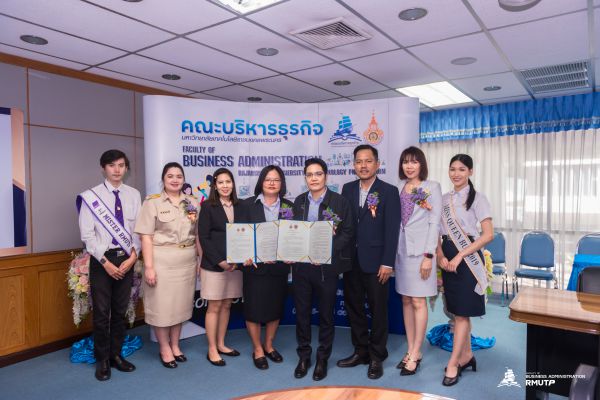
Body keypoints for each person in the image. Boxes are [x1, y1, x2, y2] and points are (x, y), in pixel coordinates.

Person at [336, 145, 400, 379]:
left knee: (378, 310)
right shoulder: (347, 188)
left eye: (368, 161)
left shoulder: (389, 191)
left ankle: (376, 356)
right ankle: (361, 351)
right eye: (358, 161)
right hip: (351, 262)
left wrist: (387, 263)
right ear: (353, 164)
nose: (363, 165)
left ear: (377, 164)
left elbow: (392, 230)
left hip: (377, 263)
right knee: (354, 308)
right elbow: (344, 224)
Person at [77, 149, 141, 381]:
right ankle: (102, 359)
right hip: (102, 261)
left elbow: (138, 231)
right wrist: (105, 263)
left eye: (121, 165)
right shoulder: (91, 197)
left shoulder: (134, 194)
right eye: (112, 165)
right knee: (102, 313)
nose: (117, 170)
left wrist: (133, 257)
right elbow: (87, 236)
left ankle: (116, 355)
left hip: (127, 259)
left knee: (120, 311)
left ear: (126, 168)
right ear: (103, 168)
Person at [291, 158, 354, 381]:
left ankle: (322, 358)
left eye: (318, 174)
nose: (314, 178)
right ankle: (304, 356)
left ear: (326, 176)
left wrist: (327, 250)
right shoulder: (298, 201)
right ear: (305, 178)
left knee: (326, 315)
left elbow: (348, 233)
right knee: (302, 314)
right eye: (309, 175)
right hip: (301, 268)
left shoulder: (339, 202)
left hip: (327, 268)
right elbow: (292, 232)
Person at [436, 154, 493, 386]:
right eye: (452, 169)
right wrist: (440, 255)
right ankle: (467, 355)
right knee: (459, 310)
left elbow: (488, 235)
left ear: (470, 171)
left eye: (461, 169)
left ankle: (454, 362)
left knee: (461, 313)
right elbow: (435, 232)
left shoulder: (478, 198)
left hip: (468, 257)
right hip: (447, 254)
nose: (456, 173)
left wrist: (460, 255)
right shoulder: (443, 199)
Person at [135, 162, 198, 369]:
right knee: (162, 307)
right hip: (161, 260)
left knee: (180, 306)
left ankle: (175, 345)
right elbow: (146, 237)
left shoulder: (192, 202)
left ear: (184, 179)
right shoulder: (152, 202)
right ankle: (164, 347)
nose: (175, 180)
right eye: (170, 176)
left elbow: (197, 234)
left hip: (186, 260)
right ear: (163, 179)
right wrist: (149, 267)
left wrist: (199, 259)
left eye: (179, 176)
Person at [394, 146, 442, 376]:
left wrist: (429, 256)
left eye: (414, 161)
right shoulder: (398, 188)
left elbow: (435, 223)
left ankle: (415, 352)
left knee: (418, 301)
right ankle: (411, 349)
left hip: (422, 253)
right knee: (406, 300)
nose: (409, 166)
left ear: (421, 164)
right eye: (405, 162)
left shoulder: (432, 187)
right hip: (401, 251)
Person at [241, 165, 294, 370]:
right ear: (261, 182)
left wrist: (292, 254)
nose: (272, 183)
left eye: (276, 179)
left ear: (282, 183)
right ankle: (257, 349)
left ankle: (269, 345)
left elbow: (294, 236)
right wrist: (245, 255)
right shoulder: (247, 205)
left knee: (275, 308)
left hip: (279, 269)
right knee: (253, 309)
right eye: (268, 179)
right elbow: (241, 235)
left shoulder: (289, 206)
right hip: (255, 269)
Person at [198, 167, 244, 367]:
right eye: (221, 182)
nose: (225, 186)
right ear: (215, 186)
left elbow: (245, 234)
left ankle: (221, 344)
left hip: (235, 266)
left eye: (228, 181)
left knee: (227, 304)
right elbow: (204, 237)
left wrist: (238, 260)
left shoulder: (241, 205)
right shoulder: (208, 206)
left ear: (233, 184)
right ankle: (211, 349)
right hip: (214, 265)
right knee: (214, 306)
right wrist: (220, 261)